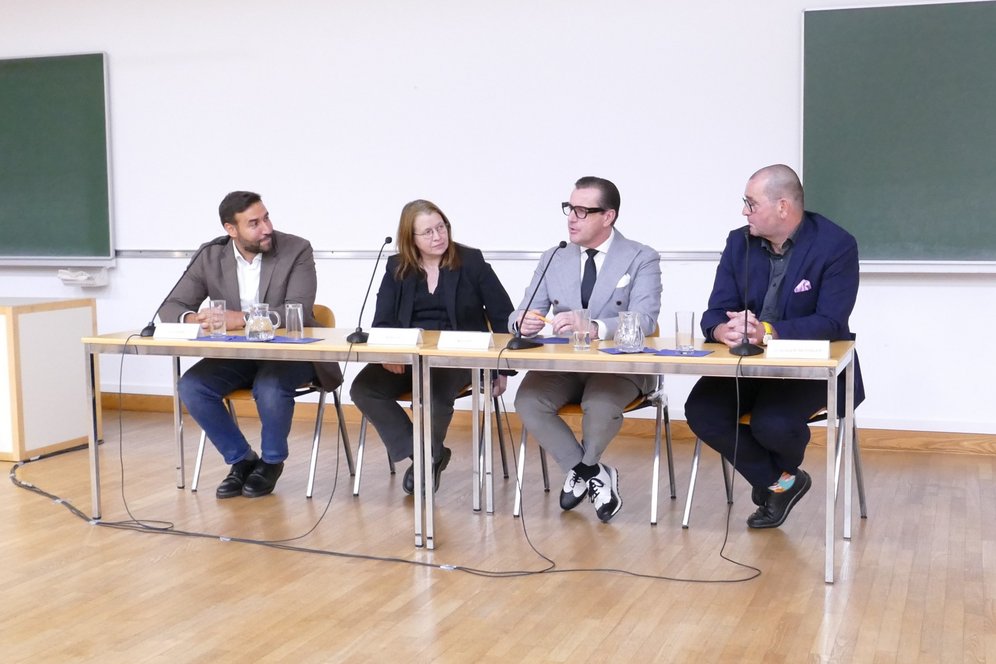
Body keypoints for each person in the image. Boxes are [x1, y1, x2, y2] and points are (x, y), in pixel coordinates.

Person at [684, 164, 865, 529]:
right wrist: (723, 330)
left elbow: (831, 322)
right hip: (747, 363)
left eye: (750, 203)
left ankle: (774, 482)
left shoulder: (835, 244)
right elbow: (715, 310)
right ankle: (781, 482)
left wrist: (766, 330)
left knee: (773, 424)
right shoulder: (739, 242)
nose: (744, 211)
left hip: (808, 367)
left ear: (782, 207)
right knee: (701, 409)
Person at [158, 190, 342, 499]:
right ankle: (242, 460)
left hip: (293, 352)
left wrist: (239, 318)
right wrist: (193, 319)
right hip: (240, 354)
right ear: (231, 230)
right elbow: (171, 306)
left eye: (266, 217)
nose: (266, 228)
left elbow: (295, 310)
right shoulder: (211, 255)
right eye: (254, 223)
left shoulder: (296, 249)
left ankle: (271, 462)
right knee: (192, 386)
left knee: (269, 386)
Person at [509, 176, 662, 523]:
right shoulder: (555, 256)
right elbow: (524, 309)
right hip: (565, 364)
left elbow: (646, 320)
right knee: (528, 401)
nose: (571, 218)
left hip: (618, 366)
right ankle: (592, 472)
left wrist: (595, 327)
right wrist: (523, 322)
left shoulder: (641, 257)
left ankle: (584, 469)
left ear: (608, 216)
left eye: (582, 210)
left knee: (599, 405)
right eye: (569, 209)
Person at [350, 199, 514, 495]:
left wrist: (501, 368)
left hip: (459, 358)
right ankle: (430, 455)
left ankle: (426, 457)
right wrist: (389, 353)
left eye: (442, 228)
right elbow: (383, 320)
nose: (438, 237)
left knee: (433, 399)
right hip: (410, 356)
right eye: (428, 232)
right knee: (363, 389)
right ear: (409, 238)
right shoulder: (396, 266)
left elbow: (503, 315)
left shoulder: (471, 261)